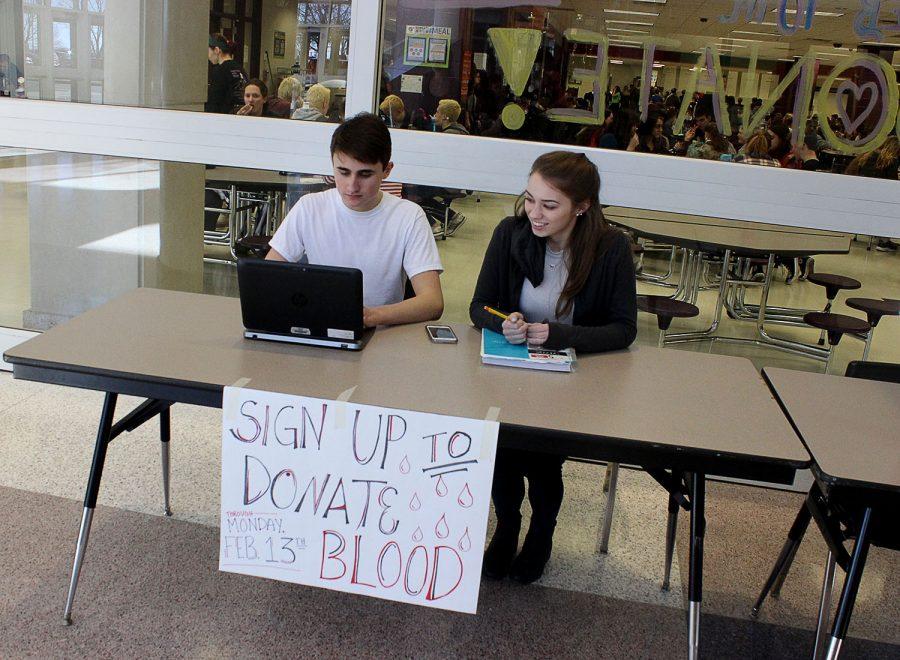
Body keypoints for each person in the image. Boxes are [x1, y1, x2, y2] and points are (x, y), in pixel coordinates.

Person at [469, 151, 637, 584]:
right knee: (503, 451)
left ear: (581, 206)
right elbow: (479, 305)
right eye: (529, 200)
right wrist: (502, 320)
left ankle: (541, 531)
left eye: (549, 205)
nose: (534, 214)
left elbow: (623, 330)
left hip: (573, 378)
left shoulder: (610, 248)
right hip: (511, 370)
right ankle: (507, 526)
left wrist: (561, 334)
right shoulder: (511, 233)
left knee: (543, 460)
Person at [266, 113, 444, 326]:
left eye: (365, 174)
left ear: (387, 170)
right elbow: (268, 277)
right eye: (343, 172)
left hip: (381, 337)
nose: (352, 186)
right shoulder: (309, 207)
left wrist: (370, 317)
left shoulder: (409, 217)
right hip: (321, 328)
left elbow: (432, 302)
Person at [845, 136, 900, 251]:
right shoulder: (891, 160)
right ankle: (884, 241)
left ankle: (878, 234)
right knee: (893, 207)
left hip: (862, 197)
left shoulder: (867, 155)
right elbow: (892, 184)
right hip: (878, 201)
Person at [206, 34, 247, 114]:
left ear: (217, 50)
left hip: (225, 116)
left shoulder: (219, 71)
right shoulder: (240, 68)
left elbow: (214, 101)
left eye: (208, 51)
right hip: (240, 112)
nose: (208, 56)